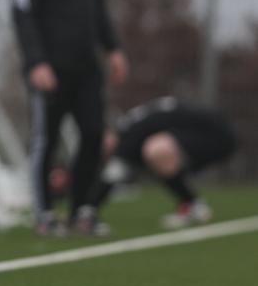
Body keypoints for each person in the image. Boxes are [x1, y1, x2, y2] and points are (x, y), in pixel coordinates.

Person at [10, 0, 128, 237]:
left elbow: (99, 10)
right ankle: (45, 213)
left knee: (93, 134)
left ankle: (81, 210)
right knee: (46, 140)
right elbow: (22, 11)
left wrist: (114, 48)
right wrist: (35, 62)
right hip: (49, 68)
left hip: (87, 67)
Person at [90, 97, 237, 229]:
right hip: (216, 130)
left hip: (215, 136)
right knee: (159, 154)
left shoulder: (128, 135)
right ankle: (192, 205)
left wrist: (89, 207)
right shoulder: (130, 123)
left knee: (156, 150)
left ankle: (193, 205)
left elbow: (114, 173)